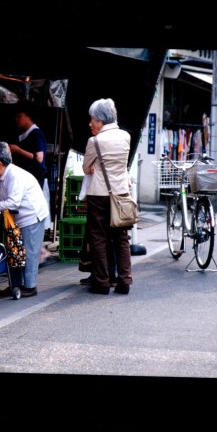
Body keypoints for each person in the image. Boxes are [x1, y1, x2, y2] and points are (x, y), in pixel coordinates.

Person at [0, 141, 49, 298]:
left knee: (29, 252)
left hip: (31, 216)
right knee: (13, 251)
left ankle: (30, 286)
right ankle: (15, 285)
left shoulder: (14, 175)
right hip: (13, 218)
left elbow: (13, 202)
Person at [82, 98, 133, 295]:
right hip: (121, 193)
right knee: (121, 238)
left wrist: (93, 166)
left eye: (92, 119)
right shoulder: (126, 136)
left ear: (101, 120)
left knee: (98, 238)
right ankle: (124, 281)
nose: (90, 124)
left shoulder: (94, 141)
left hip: (98, 195)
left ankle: (102, 283)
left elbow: (86, 167)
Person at [8, 101, 51, 232]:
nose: (17, 119)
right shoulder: (24, 134)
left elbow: (39, 158)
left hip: (35, 178)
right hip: (25, 178)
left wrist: (18, 150)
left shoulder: (36, 133)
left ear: (28, 116)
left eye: (19, 116)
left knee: (32, 210)